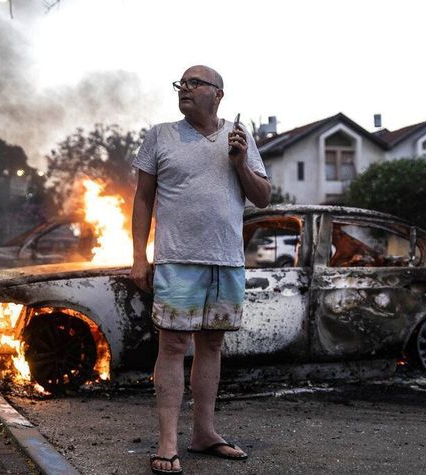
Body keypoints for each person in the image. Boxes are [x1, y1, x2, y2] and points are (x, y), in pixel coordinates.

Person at [130, 65, 270, 474]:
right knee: (173, 346)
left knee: (212, 346)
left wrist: (241, 161)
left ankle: (204, 433)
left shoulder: (239, 137)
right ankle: (168, 441)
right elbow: (142, 200)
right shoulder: (161, 135)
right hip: (177, 259)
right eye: (181, 83)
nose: (184, 88)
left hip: (226, 259)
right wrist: (140, 255)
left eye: (194, 83)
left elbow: (262, 197)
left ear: (218, 94)